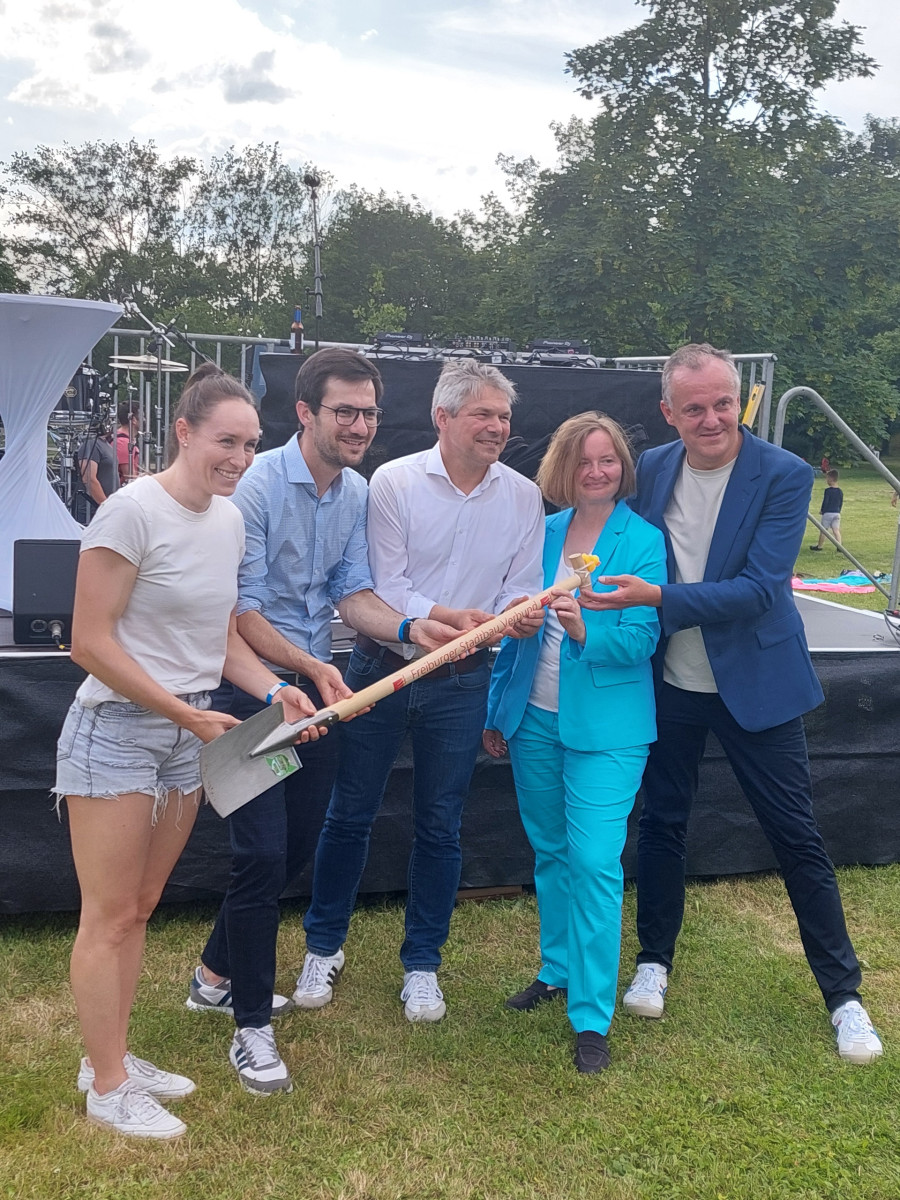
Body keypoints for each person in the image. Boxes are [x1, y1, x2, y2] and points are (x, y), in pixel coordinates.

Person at [579, 343, 882, 1064]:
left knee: (796, 836)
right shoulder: (652, 469)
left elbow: (758, 590)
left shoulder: (783, 473)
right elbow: (614, 540)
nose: (712, 419)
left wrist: (657, 596)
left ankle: (844, 996)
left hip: (757, 685)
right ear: (668, 412)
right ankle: (654, 959)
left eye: (723, 403)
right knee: (662, 824)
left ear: (739, 399)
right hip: (670, 685)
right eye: (695, 408)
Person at [55, 369, 321, 1140]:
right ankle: (108, 1088)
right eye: (225, 441)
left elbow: (221, 640)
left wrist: (276, 689)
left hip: (188, 734)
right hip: (118, 730)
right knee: (108, 916)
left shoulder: (229, 520)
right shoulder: (131, 511)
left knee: (139, 908)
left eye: (251, 444)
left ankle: (109, 1057)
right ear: (184, 431)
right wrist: (184, 713)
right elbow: (88, 642)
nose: (239, 457)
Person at [187, 348, 459, 1096]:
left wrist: (409, 629)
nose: (361, 425)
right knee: (261, 854)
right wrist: (304, 669)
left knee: (296, 847)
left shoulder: (356, 492)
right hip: (248, 688)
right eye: (345, 411)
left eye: (369, 412)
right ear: (305, 412)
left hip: (316, 692)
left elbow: (352, 593)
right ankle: (251, 1028)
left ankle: (212, 977)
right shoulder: (255, 486)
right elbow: (241, 612)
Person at [295, 358, 545, 1024]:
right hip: (380, 669)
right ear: (443, 417)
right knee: (349, 813)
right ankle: (323, 946)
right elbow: (387, 585)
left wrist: (515, 615)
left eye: (503, 416)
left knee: (441, 823)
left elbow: (520, 586)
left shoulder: (523, 496)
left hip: (462, 683)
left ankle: (423, 965)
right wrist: (451, 618)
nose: (497, 427)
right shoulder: (394, 482)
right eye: (483, 414)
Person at [483, 413, 666, 1074]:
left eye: (607, 459)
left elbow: (643, 638)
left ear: (623, 466)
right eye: (583, 460)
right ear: (563, 467)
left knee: (593, 861)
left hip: (609, 731)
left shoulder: (642, 540)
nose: (596, 471)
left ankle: (591, 1016)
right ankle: (557, 969)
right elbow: (511, 630)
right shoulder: (542, 532)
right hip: (535, 719)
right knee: (552, 851)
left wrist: (585, 629)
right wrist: (498, 712)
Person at [74, 420, 118, 522]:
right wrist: (106, 506)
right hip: (93, 512)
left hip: (104, 511)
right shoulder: (91, 444)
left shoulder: (106, 445)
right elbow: (89, 478)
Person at [810, 469, 843, 550]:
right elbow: (840, 502)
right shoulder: (840, 491)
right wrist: (839, 510)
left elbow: (826, 501)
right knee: (836, 530)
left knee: (824, 530)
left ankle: (819, 546)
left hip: (828, 513)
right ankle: (840, 547)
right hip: (837, 513)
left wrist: (822, 510)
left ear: (831, 479)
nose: (826, 480)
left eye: (827, 478)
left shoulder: (828, 491)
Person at [115, 398, 142, 485]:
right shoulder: (123, 443)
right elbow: (131, 478)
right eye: (143, 417)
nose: (145, 420)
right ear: (133, 420)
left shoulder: (120, 438)